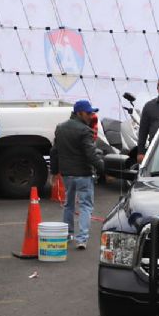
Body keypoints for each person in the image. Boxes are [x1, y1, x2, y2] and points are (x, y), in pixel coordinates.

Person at [50, 100, 104, 249]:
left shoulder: (60, 128)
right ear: (79, 113)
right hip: (83, 174)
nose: (90, 116)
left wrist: (54, 172)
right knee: (86, 206)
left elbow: (54, 152)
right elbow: (91, 154)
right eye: (88, 113)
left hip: (67, 174)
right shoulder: (85, 131)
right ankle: (82, 239)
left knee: (69, 205)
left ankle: (68, 235)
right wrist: (103, 168)